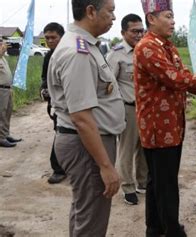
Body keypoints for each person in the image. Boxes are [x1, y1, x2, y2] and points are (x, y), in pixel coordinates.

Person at [135, 1, 196, 236]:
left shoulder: (168, 47)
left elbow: (185, 78)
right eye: (168, 16)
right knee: (165, 184)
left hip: (172, 127)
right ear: (152, 18)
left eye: (173, 17)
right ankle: (172, 230)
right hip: (159, 129)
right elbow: (175, 80)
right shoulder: (147, 48)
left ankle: (155, 227)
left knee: (157, 181)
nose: (173, 22)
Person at [47, 0, 125, 236]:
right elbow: (81, 117)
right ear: (91, 11)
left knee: (85, 212)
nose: (113, 17)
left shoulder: (86, 46)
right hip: (88, 146)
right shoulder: (77, 52)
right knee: (92, 221)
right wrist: (105, 166)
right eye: (110, 11)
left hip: (88, 143)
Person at [106, 13, 148, 205]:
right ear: (123, 32)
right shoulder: (116, 54)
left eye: (141, 30)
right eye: (134, 31)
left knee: (145, 147)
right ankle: (128, 187)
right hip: (128, 109)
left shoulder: (147, 50)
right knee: (127, 149)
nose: (139, 35)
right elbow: (108, 85)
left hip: (146, 108)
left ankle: (143, 182)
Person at [40, 22, 67, 184]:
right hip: (58, 105)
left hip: (75, 102)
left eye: (53, 37)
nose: (50, 41)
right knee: (61, 134)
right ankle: (58, 169)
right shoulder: (49, 56)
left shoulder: (70, 53)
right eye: (47, 38)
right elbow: (44, 78)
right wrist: (44, 90)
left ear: (62, 37)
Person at [0, 39, 22, 148]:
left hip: (7, 89)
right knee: (1, 114)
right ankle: (1, 138)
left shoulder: (3, 58)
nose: (4, 45)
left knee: (7, 113)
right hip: (0, 90)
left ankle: (5, 134)